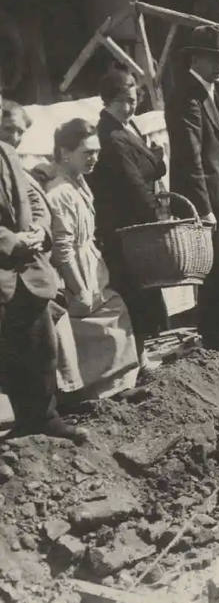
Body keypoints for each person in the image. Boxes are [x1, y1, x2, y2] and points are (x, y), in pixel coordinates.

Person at [0, 104, 86, 442]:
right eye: (9, 129)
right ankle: (22, 422)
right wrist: (11, 241)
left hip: (28, 274)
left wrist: (39, 231)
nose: (15, 137)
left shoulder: (9, 157)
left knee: (40, 349)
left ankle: (43, 419)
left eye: (19, 131)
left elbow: (36, 204)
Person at [166, 25, 219, 352]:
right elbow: (190, 159)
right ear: (196, 58)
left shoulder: (206, 91)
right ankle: (216, 333)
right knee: (217, 270)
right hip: (208, 200)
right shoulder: (186, 95)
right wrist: (202, 209)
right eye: (215, 59)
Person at [46, 118, 141, 399]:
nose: (94, 158)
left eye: (96, 152)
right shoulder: (60, 193)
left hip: (91, 265)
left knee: (113, 314)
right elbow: (62, 248)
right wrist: (78, 287)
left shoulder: (79, 184)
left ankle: (109, 386)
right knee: (93, 325)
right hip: (74, 272)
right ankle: (86, 392)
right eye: (87, 153)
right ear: (65, 153)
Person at [88, 70, 168, 363]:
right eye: (124, 100)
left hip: (134, 222)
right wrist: (156, 217)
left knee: (141, 289)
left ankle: (142, 354)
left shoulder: (126, 126)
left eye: (134, 100)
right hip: (125, 225)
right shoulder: (110, 135)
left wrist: (156, 162)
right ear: (109, 99)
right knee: (133, 291)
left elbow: (150, 167)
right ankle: (139, 359)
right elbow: (132, 183)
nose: (131, 106)